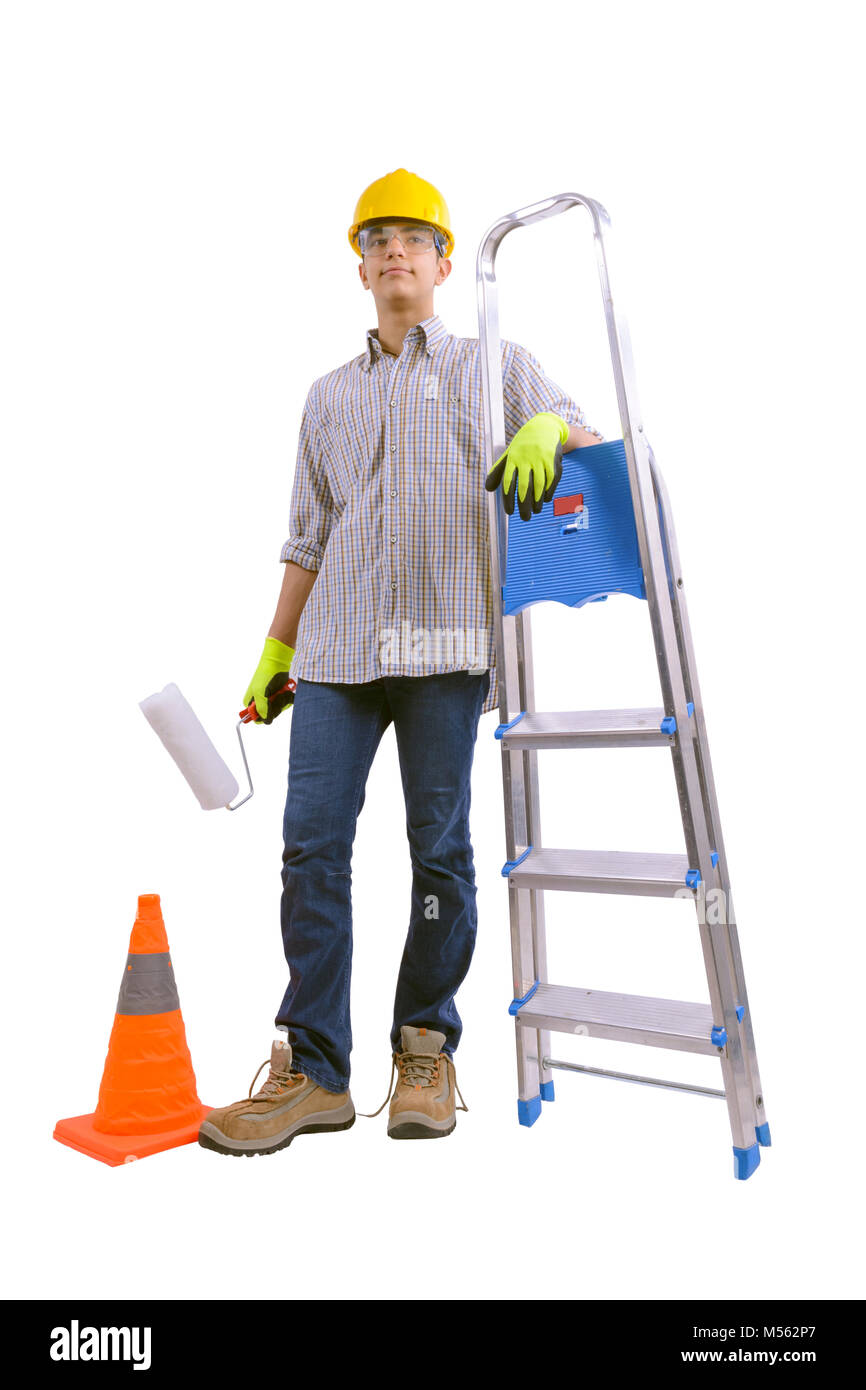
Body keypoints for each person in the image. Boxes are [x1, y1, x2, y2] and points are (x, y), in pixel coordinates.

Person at [198, 168, 604, 1158]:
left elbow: (588, 450)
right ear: (359, 263)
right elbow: (308, 536)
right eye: (375, 236)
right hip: (336, 652)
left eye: (412, 237)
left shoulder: (495, 362)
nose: (392, 249)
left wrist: (549, 426)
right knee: (309, 848)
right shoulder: (326, 397)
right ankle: (315, 1071)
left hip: (447, 646)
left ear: (442, 261)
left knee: (437, 854)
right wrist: (273, 649)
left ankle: (423, 1047)